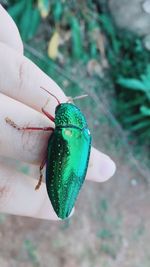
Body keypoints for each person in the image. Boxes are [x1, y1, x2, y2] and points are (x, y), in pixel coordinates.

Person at [0, 5, 116, 220]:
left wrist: (20, 127)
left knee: (47, 141)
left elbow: (46, 122)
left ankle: (40, 176)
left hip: (64, 174)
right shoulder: (84, 134)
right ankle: (40, 177)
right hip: (69, 171)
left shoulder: (67, 132)